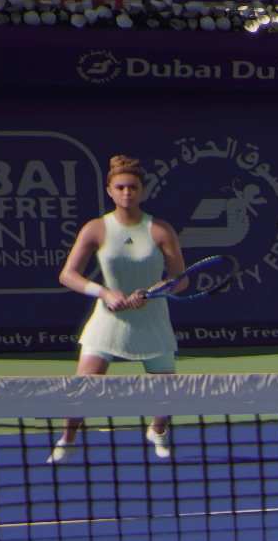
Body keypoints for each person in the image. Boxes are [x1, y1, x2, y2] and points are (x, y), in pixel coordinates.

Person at [50, 153, 183, 463]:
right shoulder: (96, 229)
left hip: (152, 320)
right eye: (120, 187)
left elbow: (181, 279)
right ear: (110, 191)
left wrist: (152, 292)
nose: (126, 193)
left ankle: (158, 431)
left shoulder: (161, 230)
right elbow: (67, 275)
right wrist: (104, 293)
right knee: (83, 387)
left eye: (133, 187)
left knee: (166, 393)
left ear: (142, 191)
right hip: (108, 320)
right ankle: (68, 439)